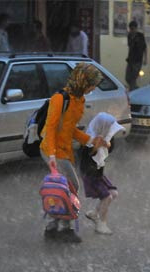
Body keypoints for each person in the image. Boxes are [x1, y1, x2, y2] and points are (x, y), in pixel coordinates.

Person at [40, 63, 105, 243]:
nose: (92, 89)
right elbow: (51, 128)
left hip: (65, 149)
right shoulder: (60, 99)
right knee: (72, 186)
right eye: (91, 84)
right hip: (51, 149)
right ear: (82, 81)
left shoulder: (79, 100)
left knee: (64, 187)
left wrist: (90, 140)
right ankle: (65, 228)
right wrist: (52, 155)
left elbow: (70, 129)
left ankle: (53, 227)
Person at [81, 113, 125, 235]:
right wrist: (96, 146)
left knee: (114, 193)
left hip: (98, 173)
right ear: (102, 127)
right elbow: (88, 156)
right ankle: (102, 224)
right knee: (107, 197)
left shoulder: (107, 137)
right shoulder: (89, 139)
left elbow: (109, 150)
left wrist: (108, 144)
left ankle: (94, 213)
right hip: (90, 174)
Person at [125, 21, 147, 91]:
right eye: (131, 29)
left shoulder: (140, 36)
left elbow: (144, 47)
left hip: (138, 59)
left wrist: (145, 58)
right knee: (127, 77)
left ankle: (132, 90)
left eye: (133, 29)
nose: (132, 31)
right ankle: (135, 88)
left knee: (133, 77)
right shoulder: (129, 36)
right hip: (130, 59)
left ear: (136, 28)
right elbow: (130, 47)